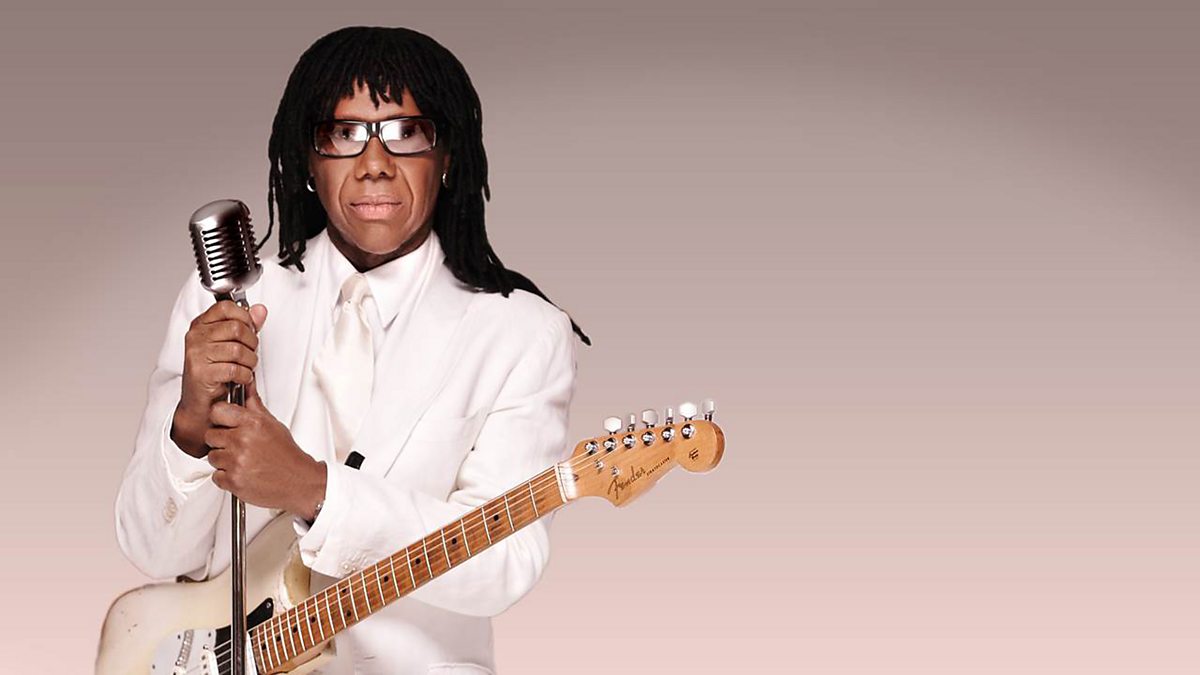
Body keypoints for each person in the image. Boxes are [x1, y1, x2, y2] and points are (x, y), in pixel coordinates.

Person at [114, 25, 589, 674]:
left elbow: (505, 563)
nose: (374, 162)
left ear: (447, 158)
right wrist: (191, 426)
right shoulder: (220, 302)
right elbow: (152, 550)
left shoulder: (522, 334)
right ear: (308, 162)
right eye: (344, 134)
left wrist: (313, 489)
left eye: (406, 131)